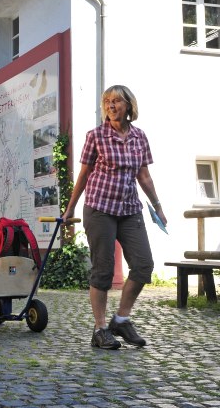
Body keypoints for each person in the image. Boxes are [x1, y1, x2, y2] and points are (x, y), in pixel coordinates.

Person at [62, 85, 167, 350]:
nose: (111, 105)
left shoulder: (139, 137)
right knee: (103, 271)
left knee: (143, 265)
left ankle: (121, 319)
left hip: (130, 208)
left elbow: (143, 175)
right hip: (100, 208)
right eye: (107, 101)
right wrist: (70, 208)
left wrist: (158, 206)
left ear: (129, 105)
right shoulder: (95, 135)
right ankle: (100, 330)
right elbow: (84, 174)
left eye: (117, 101)